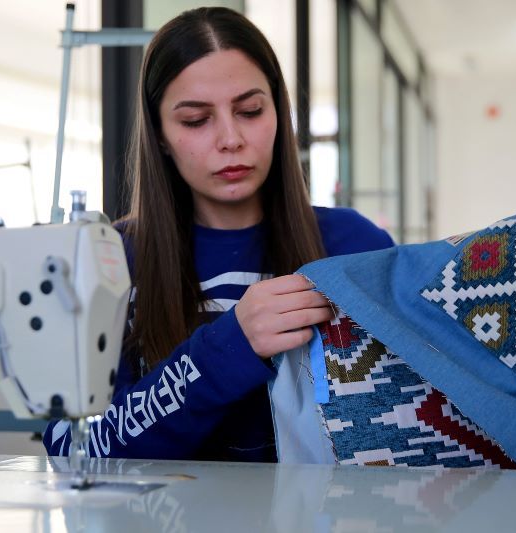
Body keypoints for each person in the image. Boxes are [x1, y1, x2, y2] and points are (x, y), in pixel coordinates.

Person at [44, 6, 394, 462]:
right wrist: (228, 348)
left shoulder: (353, 245)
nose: (230, 139)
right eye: (196, 120)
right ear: (160, 134)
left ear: (278, 112)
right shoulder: (109, 258)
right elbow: (71, 447)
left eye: (250, 111)